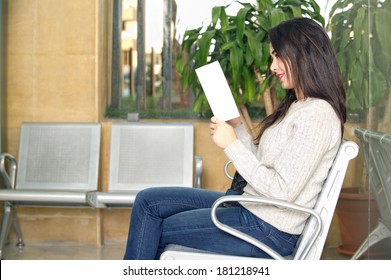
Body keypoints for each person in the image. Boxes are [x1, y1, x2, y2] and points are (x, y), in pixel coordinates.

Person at [123, 17, 346, 260]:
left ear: (302, 55)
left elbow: (281, 191)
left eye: (277, 56)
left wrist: (230, 144)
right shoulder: (298, 106)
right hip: (252, 208)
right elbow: (264, 165)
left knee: (154, 227)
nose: (273, 66)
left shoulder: (318, 114)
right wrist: (237, 127)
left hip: (267, 228)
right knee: (148, 202)